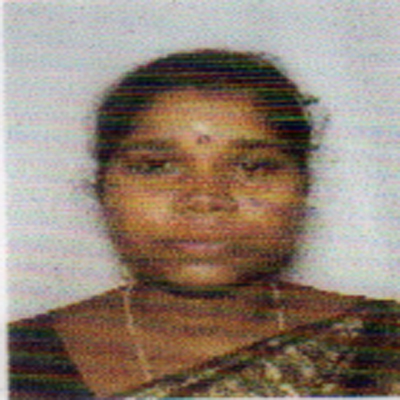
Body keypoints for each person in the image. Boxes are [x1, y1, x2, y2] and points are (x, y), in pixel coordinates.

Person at [9, 49, 399, 398]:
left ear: (303, 187)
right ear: (102, 189)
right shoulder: (21, 363)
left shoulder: (384, 347)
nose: (206, 199)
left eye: (252, 167)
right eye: (156, 167)